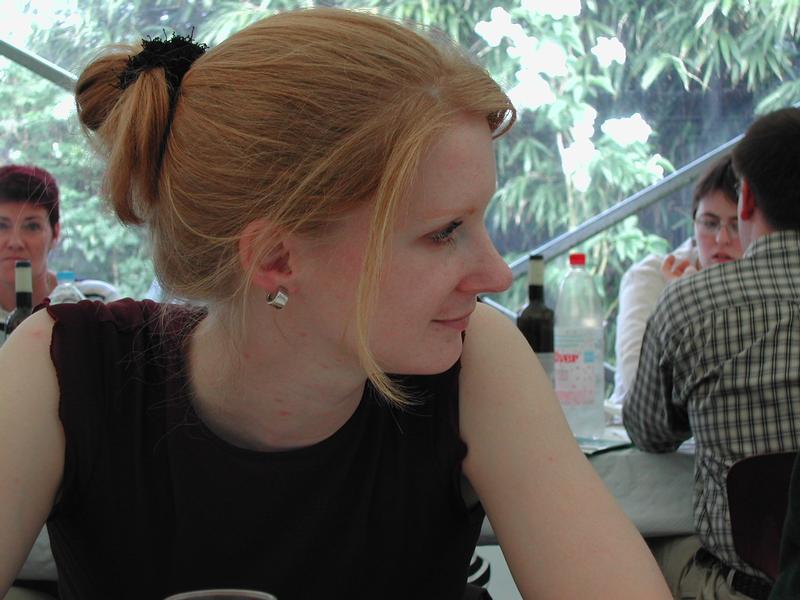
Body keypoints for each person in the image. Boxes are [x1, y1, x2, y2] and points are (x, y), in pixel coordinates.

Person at [0, 9, 671, 600]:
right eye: (444, 232)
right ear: (276, 260)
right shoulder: (64, 366)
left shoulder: (475, 358)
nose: (495, 273)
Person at [622, 107, 800, 600]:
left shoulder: (690, 300)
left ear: (745, 201)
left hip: (747, 588)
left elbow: (648, 432)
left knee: (642, 539)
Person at [609, 155, 742, 406]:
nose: (721, 238)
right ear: (693, 222)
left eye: (736, 226)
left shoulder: (764, 283)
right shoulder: (650, 276)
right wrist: (684, 299)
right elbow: (637, 382)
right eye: (710, 223)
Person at [0, 165, 120, 330]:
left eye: (32, 226)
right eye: (1, 226)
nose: (15, 242)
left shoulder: (98, 305)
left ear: (55, 234)